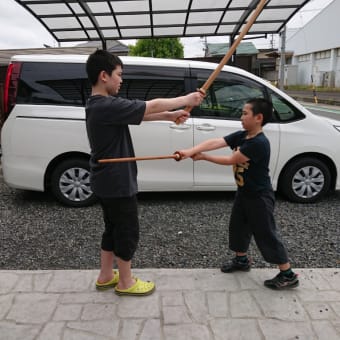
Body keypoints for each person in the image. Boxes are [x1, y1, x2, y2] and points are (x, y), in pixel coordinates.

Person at [85, 50, 204, 296]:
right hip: (117, 182)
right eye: (119, 75)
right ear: (104, 76)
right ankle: (126, 282)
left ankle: (106, 275)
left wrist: (169, 116)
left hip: (106, 180)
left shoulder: (99, 105)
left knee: (113, 228)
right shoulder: (106, 105)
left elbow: (143, 114)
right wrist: (186, 98)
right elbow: (152, 104)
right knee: (127, 230)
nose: (121, 80)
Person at [178, 98, 299, 290]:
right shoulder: (244, 135)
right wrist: (191, 150)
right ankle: (241, 260)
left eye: (245, 113)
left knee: (266, 233)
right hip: (245, 193)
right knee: (238, 227)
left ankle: (288, 274)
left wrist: (203, 157)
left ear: (258, 118)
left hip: (260, 196)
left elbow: (232, 159)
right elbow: (217, 141)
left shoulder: (259, 142)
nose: (241, 117)